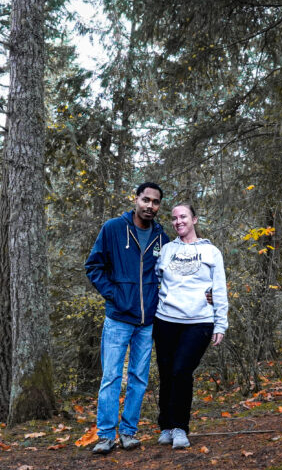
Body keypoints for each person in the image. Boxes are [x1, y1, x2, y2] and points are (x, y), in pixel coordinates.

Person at [84, 182, 168, 454]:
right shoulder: (113, 229)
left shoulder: (161, 237)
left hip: (147, 322)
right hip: (119, 318)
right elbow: (94, 266)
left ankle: (129, 433)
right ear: (136, 199)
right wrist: (115, 295)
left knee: (139, 379)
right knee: (110, 377)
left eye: (155, 202)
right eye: (146, 200)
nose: (150, 206)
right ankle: (106, 435)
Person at [153, 202, 228, 450]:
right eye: (174, 218)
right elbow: (155, 281)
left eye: (183, 216)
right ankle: (165, 426)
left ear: (194, 219)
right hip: (166, 320)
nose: (178, 222)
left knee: (181, 371)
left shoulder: (211, 252)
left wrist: (220, 324)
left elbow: (219, 289)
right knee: (166, 373)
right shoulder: (165, 250)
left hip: (199, 322)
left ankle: (180, 428)